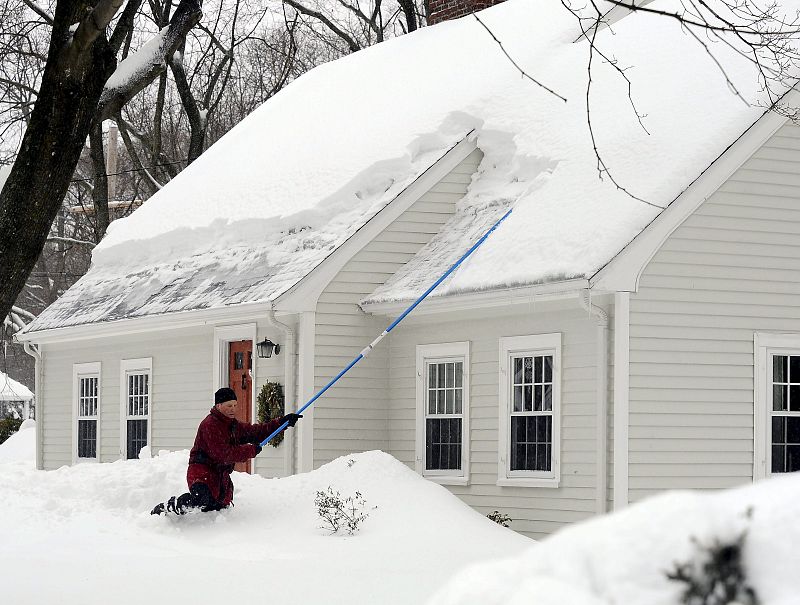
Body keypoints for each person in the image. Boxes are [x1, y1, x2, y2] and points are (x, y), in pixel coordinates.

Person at [151, 387, 302, 515]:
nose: (233, 409)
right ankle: (169, 508)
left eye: (235, 405)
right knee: (200, 500)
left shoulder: (232, 425)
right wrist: (250, 450)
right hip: (201, 472)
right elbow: (223, 454)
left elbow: (255, 432)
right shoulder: (209, 425)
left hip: (219, 476)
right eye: (229, 406)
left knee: (216, 509)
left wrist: (282, 422)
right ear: (218, 406)